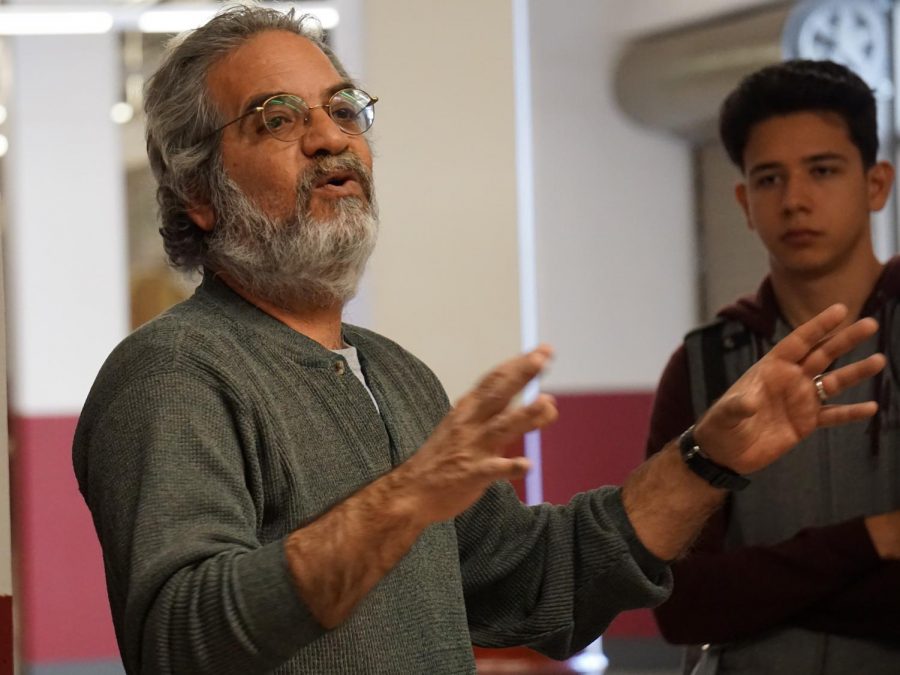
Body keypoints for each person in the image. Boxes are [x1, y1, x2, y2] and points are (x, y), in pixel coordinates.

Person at [72, 9, 884, 674]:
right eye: (278, 118)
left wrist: (708, 458)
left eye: (343, 108)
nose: (330, 138)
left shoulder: (394, 373)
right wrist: (405, 500)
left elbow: (538, 587)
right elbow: (183, 639)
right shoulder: (173, 371)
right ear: (198, 196)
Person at [646, 59, 900, 675]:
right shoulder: (704, 365)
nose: (794, 200)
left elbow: (717, 599)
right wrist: (868, 540)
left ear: (876, 184)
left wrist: (761, 593)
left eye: (822, 170)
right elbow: (680, 605)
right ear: (744, 201)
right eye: (769, 179)